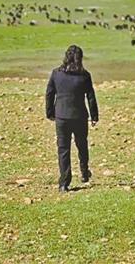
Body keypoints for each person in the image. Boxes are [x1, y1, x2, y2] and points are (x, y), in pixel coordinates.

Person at [45, 45, 99, 192]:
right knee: (82, 145)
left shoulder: (56, 74)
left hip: (62, 116)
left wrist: (50, 112)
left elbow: (49, 94)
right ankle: (84, 172)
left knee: (63, 149)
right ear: (80, 58)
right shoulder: (84, 76)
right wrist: (94, 116)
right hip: (79, 116)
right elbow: (91, 97)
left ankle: (64, 183)